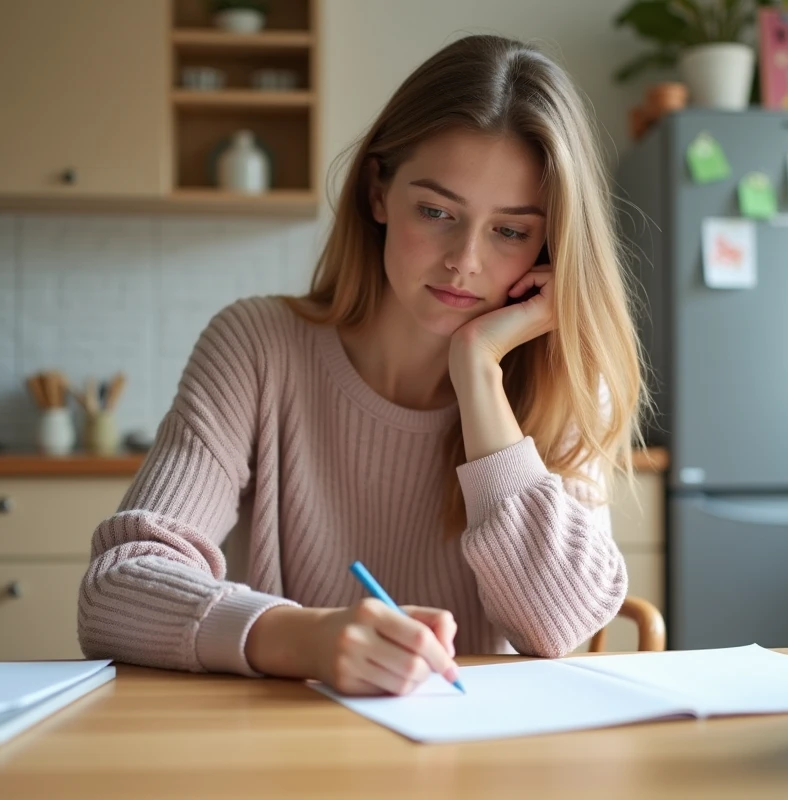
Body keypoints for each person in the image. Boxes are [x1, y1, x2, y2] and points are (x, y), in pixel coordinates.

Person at [78, 33, 646, 696]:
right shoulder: (258, 346)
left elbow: (557, 626)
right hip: (281, 757)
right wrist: (304, 638)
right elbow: (117, 589)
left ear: (551, 239)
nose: (465, 259)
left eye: (511, 230)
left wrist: (478, 374)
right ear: (378, 192)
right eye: (436, 211)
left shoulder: (564, 380)